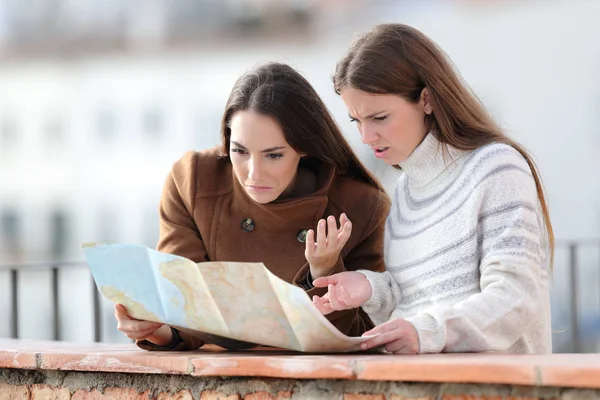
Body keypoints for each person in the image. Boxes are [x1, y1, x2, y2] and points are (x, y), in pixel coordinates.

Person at [312, 23, 554, 355]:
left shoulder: (496, 168)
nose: (366, 137)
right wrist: (371, 288)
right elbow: (415, 305)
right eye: (357, 121)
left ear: (426, 99)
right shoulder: (406, 190)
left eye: (379, 118)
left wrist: (428, 331)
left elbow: (515, 297)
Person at [113, 62, 391, 351]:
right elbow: (187, 304)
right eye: (240, 151)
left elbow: (363, 334)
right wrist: (155, 330)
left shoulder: (360, 205)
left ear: (304, 146)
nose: (254, 174)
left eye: (273, 155)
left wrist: (324, 272)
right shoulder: (193, 181)